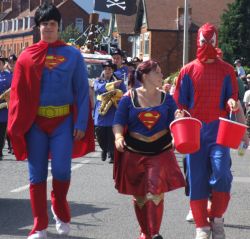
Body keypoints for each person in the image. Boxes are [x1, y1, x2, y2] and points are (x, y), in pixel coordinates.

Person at [7, 2, 94, 239]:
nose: (48, 28)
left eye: (52, 24)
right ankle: (39, 226)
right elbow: (17, 92)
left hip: (63, 122)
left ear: (59, 26)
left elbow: (82, 92)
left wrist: (80, 123)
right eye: (44, 24)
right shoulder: (26, 56)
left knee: (61, 172)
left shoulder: (73, 55)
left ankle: (60, 209)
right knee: (36, 176)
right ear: (38, 27)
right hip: (35, 124)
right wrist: (16, 125)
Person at [173, 23, 239, 239]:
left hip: (219, 131)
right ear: (198, 41)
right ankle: (201, 225)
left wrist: (232, 102)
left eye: (211, 41)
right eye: (204, 41)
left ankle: (216, 218)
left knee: (222, 175)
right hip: (194, 132)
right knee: (197, 179)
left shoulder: (227, 70)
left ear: (216, 41)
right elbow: (180, 104)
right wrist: (180, 115)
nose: (207, 46)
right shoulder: (187, 70)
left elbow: (233, 97)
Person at [113, 60, 185, 239]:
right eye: (158, 72)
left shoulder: (167, 98)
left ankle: (154, 233)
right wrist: (118, 137)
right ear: (145, 76)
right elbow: (118, 122)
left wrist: (178, 120)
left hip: (160, 152)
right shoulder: (127, 98)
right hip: (133, 153)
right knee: (139, 197)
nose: (162, 76)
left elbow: (175, 121)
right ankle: (145, 232)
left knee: (155, 193)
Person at [94, 61, 126, 163]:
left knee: (112, 134)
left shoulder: (119, 82)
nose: (107, 71)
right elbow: (99, 88)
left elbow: (124, 93)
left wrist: (118, 94)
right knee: (100, 134)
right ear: (103, 70)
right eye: (106, 69)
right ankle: (104, 149)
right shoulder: (98, 80)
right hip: (101, 111)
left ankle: (112, 154)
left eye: (110, 69)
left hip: (113, 110)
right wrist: (112, 86)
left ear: (112, 71)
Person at [0, 57, 12, 160]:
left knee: (2, 131)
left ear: (3, 64)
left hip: (4, 107)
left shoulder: (8, 76)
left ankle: (0, 151)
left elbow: (13, 89)